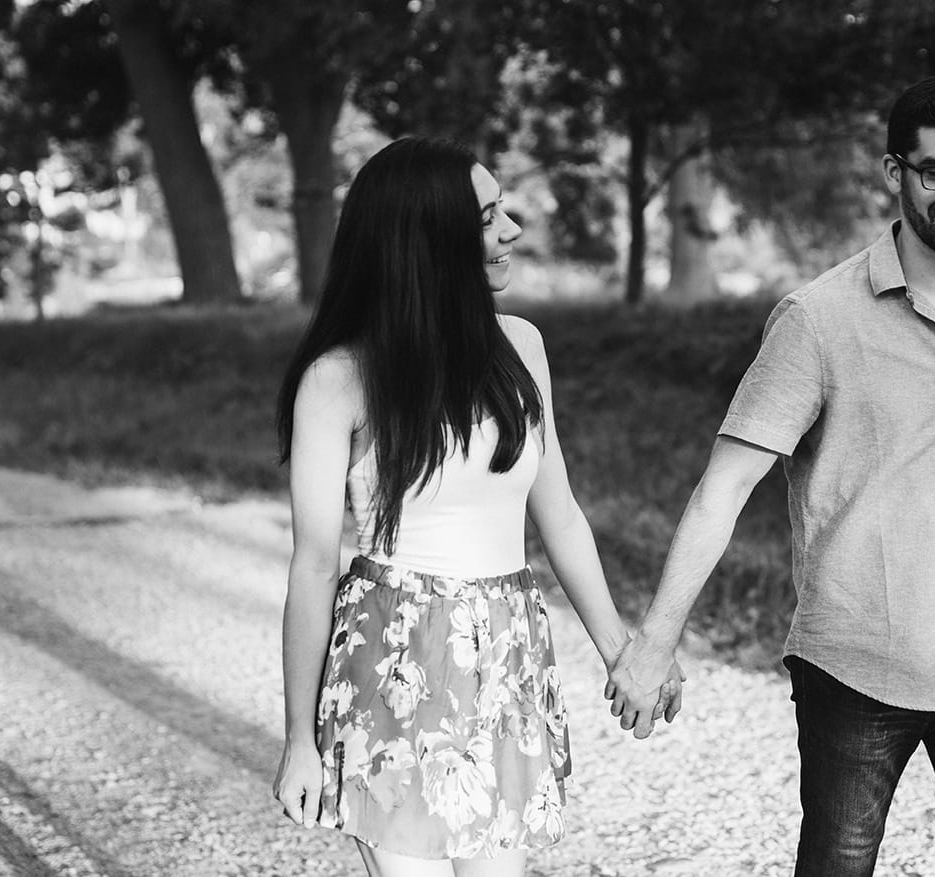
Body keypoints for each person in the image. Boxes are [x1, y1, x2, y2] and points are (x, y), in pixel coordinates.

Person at [605, 75, 935, 876]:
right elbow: (725, 485)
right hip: (857, 665)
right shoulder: (818, 319)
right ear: (893, 173)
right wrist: (656, 639)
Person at [272, 136, 682, 877]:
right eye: (489, 216)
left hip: (506, 656)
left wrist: (623, 649)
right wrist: (299, 738)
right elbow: (312, 566)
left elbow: (559, 514)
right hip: (394, 664)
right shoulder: (339, 379)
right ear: (429, 242)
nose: (512, 231)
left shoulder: (519, 346)